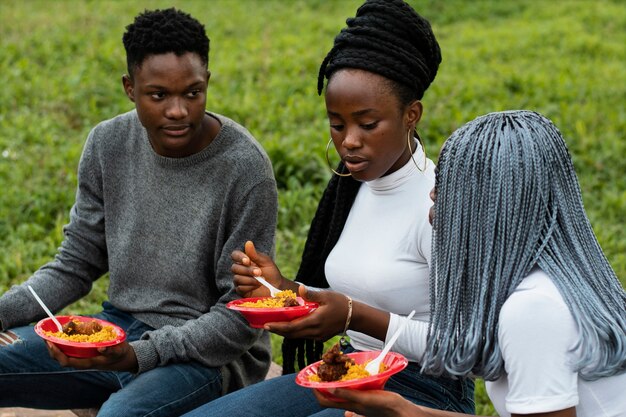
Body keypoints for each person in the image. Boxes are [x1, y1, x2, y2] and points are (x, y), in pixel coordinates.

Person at [182, 1, 474, 416]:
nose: (349, 141)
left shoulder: (438, 203)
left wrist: (354, 316)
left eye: (367, 124)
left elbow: (466, 345)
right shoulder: (352, 189)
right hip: (348, 369)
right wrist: (282, 290)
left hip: (426, 389)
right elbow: (344, 302)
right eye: (337, 124)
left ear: (411, 115)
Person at [0, 8, 278, 417]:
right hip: (114, 332)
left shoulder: (245, 169)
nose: (178, 110)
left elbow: (240, 314)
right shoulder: (107, 144)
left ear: (207, 84)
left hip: (206, 359)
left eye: (192, 92)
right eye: (159, 95)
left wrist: (138, 356)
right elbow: (75, 263)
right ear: (131, 88)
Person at [312, 110, 626, 417]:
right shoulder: (555, 282)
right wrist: (404, 411)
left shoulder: (533, 309)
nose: (432, 196)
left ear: (488, 205)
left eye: (447, 185)